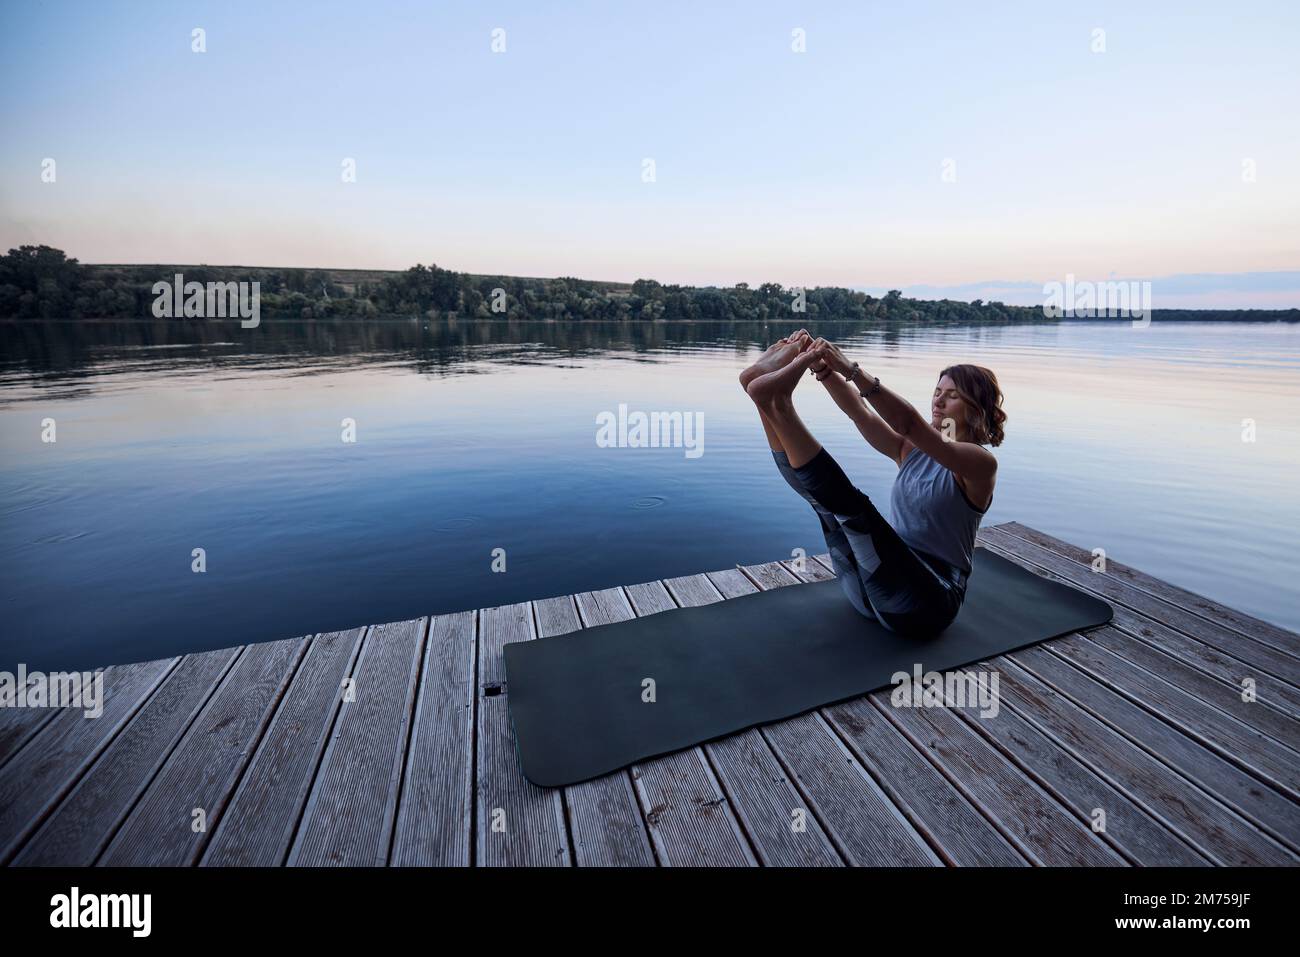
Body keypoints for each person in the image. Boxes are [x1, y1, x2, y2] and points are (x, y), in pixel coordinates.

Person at [739, 330, 1006, 638]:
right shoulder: (909, 451)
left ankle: (778, 403)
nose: (939, 401)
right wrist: (822, 366)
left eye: (953, 395)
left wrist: (852, 370)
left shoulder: (980, 465)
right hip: (873, 595)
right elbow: (859, 412)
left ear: (976, 407)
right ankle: (769, 405)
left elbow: (911, 425)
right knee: (826, 507)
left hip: (926, 606)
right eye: (937, 391)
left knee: (856, 511)